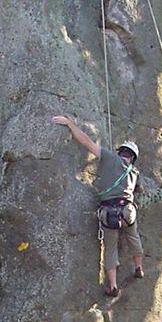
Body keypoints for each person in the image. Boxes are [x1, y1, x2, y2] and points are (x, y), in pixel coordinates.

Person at [53, 115, 144, 297]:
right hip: (128, 211)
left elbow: (87, 142)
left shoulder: (110, 157)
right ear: (133, 158)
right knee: (133, 236)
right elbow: (140, 189)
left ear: (121, 151)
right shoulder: (134, 172)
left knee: (110, 247)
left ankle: (113, 286)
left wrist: (70, 124)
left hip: (109, 212)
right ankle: (138, 268)